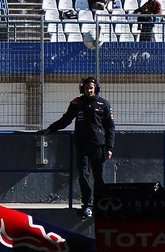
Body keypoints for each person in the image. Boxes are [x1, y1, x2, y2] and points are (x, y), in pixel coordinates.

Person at [38, 76, 115, 218]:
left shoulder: (104, 104)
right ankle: (87, 205)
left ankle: (100, 204)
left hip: (99, 146)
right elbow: (66, 119)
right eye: (86, 88)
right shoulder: (76, 103)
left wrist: (109, 147)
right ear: (83, 89)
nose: (89, 90)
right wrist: (51, 129)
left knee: (99, 177)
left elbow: (110, 127)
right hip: (82, 146)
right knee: (83, 176)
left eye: (91, 88)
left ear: (96, 88)